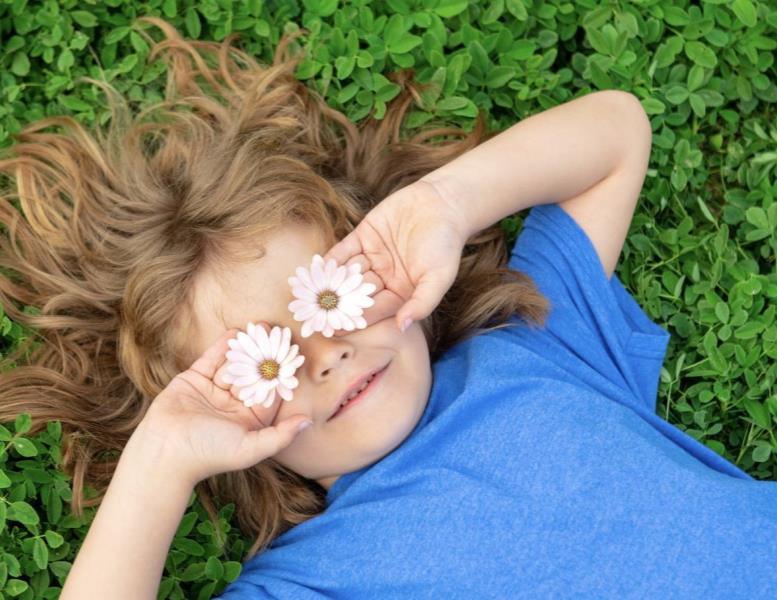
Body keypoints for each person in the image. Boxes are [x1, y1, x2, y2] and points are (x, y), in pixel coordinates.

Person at [1, 16, 774, 600]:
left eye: (332, 299)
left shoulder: (536, 339)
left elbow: (614, 132)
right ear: (226, 418)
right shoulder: (306, 580)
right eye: (266, 357)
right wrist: (156, 469)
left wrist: (446, 201)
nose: (324, 355)